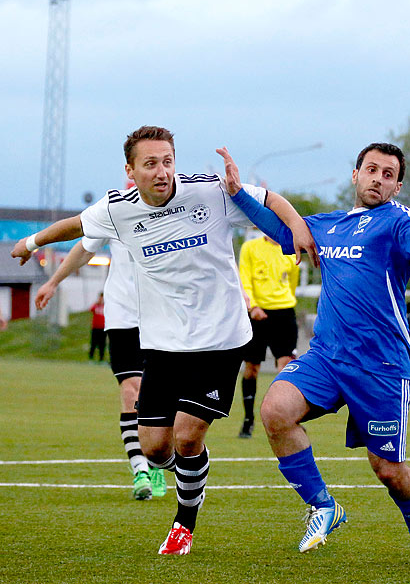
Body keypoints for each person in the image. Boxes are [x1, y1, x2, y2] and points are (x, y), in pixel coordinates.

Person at [12, 125, 318, 556]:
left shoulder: (211, 191)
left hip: (221, 339)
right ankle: (189, 472)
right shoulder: (118, 209)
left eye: (168, 161)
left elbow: (270, 200)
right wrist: (30, 242)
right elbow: (76, 228)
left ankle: (184, 523)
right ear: (131, 170)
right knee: (157, 449)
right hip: (163, 344)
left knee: (188, 436)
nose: (162, 171)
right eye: (151, 163)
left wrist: (298, 228)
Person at [218, 141, 410, 569]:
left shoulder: (396, 221)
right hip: (326, 357)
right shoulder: (328, 225)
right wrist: (237, 193)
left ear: (397, 185)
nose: (378, 178)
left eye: (388, 174)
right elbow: (280, 230)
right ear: (354, 175)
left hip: (381, 366)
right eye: (371, 170)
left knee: (389, 471)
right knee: (276, 410)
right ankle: (323, 506)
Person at [36, 237, 167, 501]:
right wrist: (52, 281)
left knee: (161, 397)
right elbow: (85, 247)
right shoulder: (113, 208)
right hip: (122, 319)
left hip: (164, 315)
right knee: (132, 391)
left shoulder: (175, 207)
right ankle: (141, 470)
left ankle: (155, 459)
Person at [237, 230, 301, 438]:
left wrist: (285, 302)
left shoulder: (290, 251)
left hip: (284, 314)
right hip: (257, 315)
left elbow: (293, 281)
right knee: (251, 368)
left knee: (286, 367)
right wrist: (252, 306)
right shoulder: (250, 247)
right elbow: (244, 277)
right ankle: (248, 420)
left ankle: (284, 419)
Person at [89, 292, 107, 362]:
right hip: (95, 328)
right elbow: (91, 309)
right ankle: (91, 358)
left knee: (102, 345)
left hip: (103, 328)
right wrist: (97, 303)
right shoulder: (96, 305)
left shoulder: (106, 306)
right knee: (93, 343)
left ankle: (101, 359)